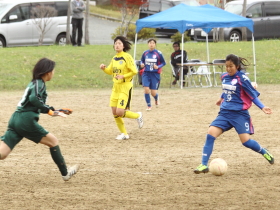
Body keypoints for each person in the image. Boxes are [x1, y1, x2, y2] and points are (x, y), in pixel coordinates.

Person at [0, 58, 79, 181]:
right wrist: (49, 111)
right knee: (53, 142)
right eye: (53, 70)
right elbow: (34, 99)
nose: (53, 73)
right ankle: (65, 173)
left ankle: (65, 172)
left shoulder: (35, 83)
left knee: (2, 154)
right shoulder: (39, 83)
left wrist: (56, 111)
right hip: (25, 121)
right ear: (47, 72)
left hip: (16, 119)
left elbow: (36, 104)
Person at [194, 54, 274, 174]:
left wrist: (262, 107)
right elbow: (227, 89)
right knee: (210, 134)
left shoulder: (243, 78)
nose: (228, 69)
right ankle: (204, 164)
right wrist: (221, 98)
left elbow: (252, 95)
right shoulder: (224, 76)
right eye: (226, 66)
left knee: (246, 142)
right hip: (225, 113)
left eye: (231, 66)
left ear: (237, 66)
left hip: (239, 114)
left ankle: (264, 151)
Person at [99, 36, 143, 140]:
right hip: (115, 88)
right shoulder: (114, 58)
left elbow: (134, 71)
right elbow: (110, 71)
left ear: (123, 45)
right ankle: (124, 134)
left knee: (120, 112)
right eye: (115, 43)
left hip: (125, 87)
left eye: (119, 43)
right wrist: (104, 68)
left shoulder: (126, 57)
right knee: (114, 112)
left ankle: (138, 116)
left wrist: (123, 76)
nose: (117, 45)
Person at [140, 39, 166, 111]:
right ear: (148, 44)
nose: (151, 44)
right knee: (146, 89)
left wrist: (158, 66)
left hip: (154, 74)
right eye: (150, 43)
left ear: (155, 44)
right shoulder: (145, 53)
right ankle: (149, 106)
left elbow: (164, 63)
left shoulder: (158, 53)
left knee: (153, 93)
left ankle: (156, 98)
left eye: (153, 43)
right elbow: (142, 60)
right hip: (146, 73)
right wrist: (141, 64)